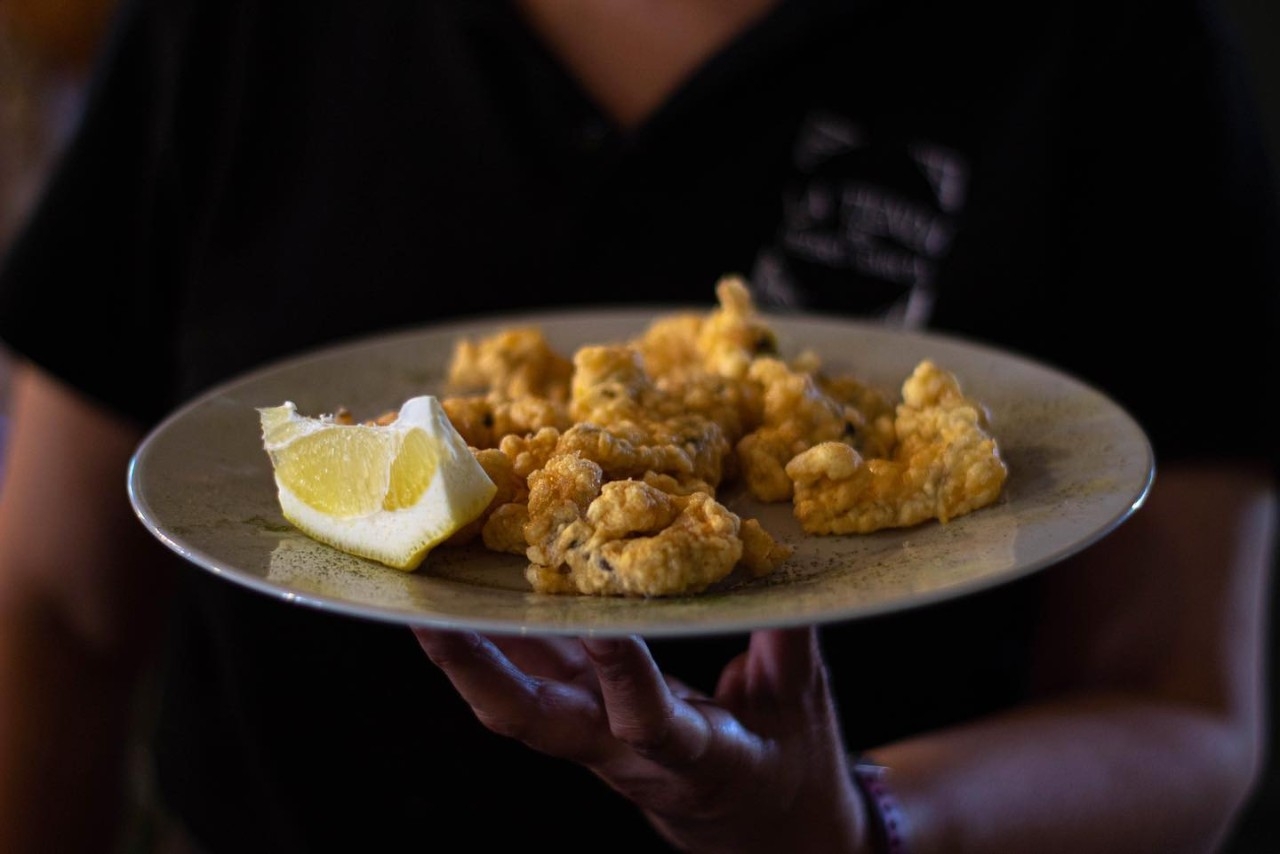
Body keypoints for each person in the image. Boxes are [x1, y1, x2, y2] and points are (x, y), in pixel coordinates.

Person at [0, 0, 1275, 852]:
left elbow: (1178, 707)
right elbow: (52, 600)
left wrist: (864, 822)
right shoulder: (230, 28)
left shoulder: (1115, 44)